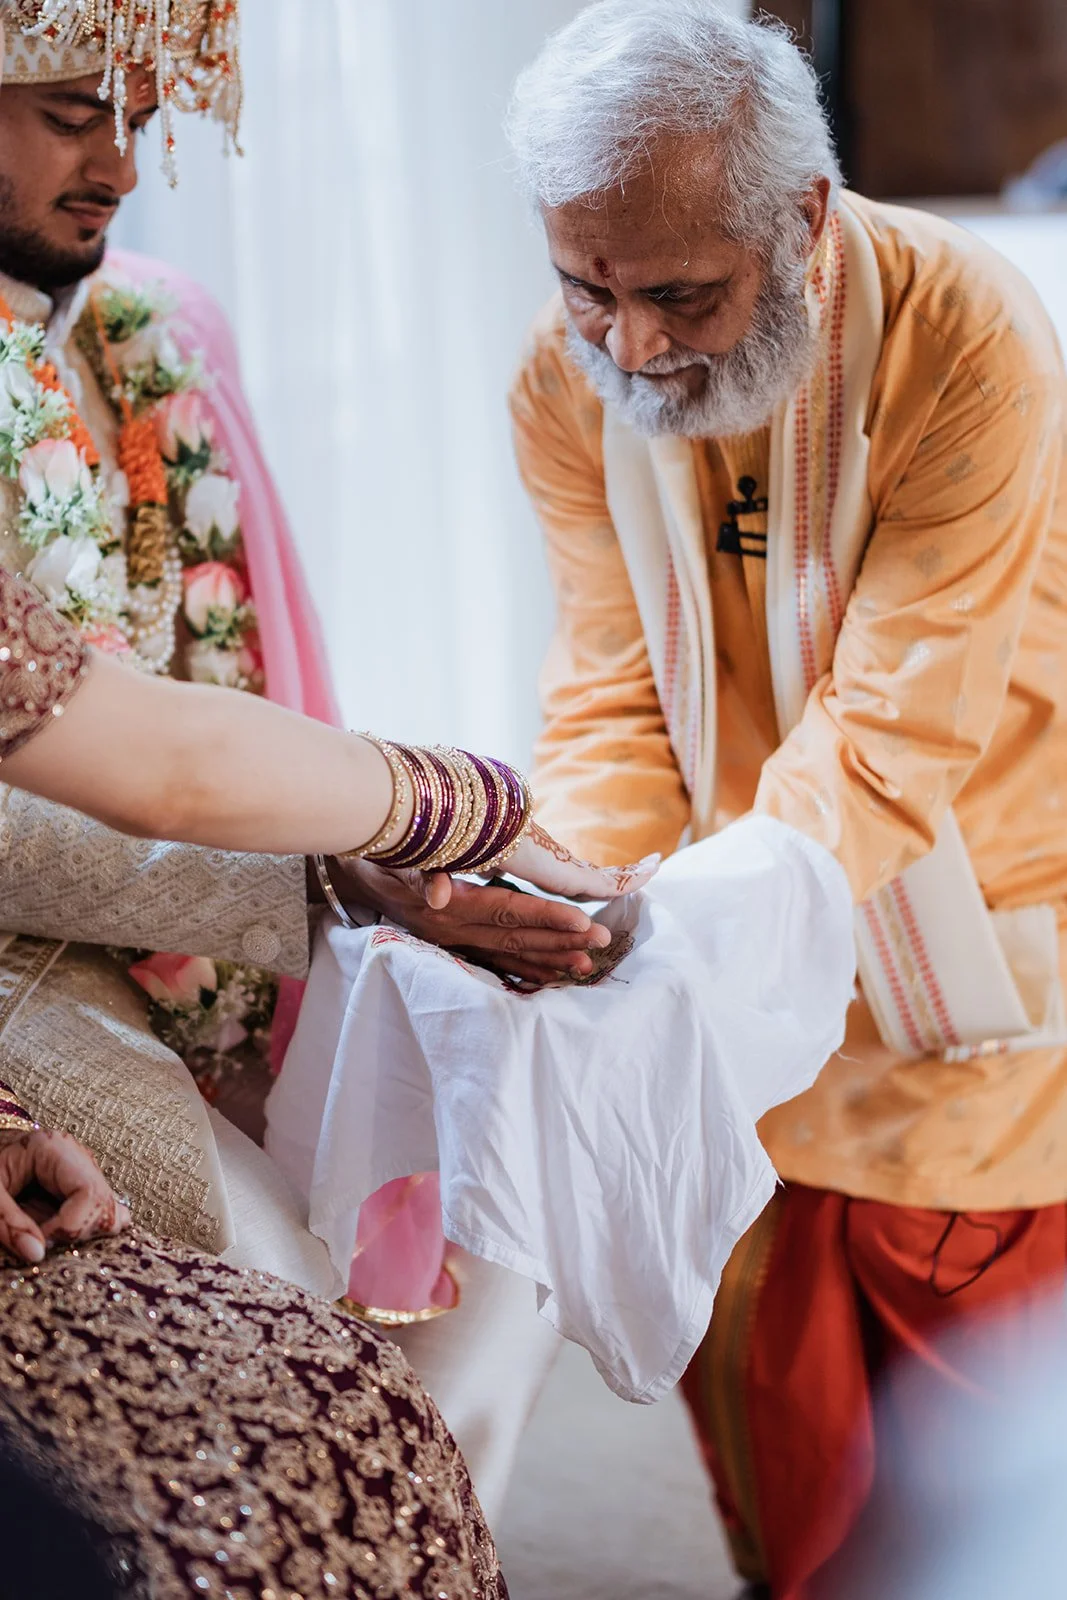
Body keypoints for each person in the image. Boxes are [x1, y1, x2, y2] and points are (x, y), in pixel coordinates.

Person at [0, 0, 637, 1511]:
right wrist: (406, 832)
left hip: (146, 928)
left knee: (516, 1190)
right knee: (284, 1328)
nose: (120, 166)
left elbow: (192, 711)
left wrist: (373, 859)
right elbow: (138, 762)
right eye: (72, 112)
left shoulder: (139, 337)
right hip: (33, 975)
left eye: (139, 119)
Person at [503, 2, 1067, 1596]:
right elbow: (611, 691)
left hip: (970, 975)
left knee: (987, 1519)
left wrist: (671, 927)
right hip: (731, 983)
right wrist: (586, 899)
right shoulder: (565, 386)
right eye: (581, 287)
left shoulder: (964, 341)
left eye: (680, 293)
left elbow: (892, 733)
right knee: (794, 1497)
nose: (626, 346)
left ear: (802, 221)